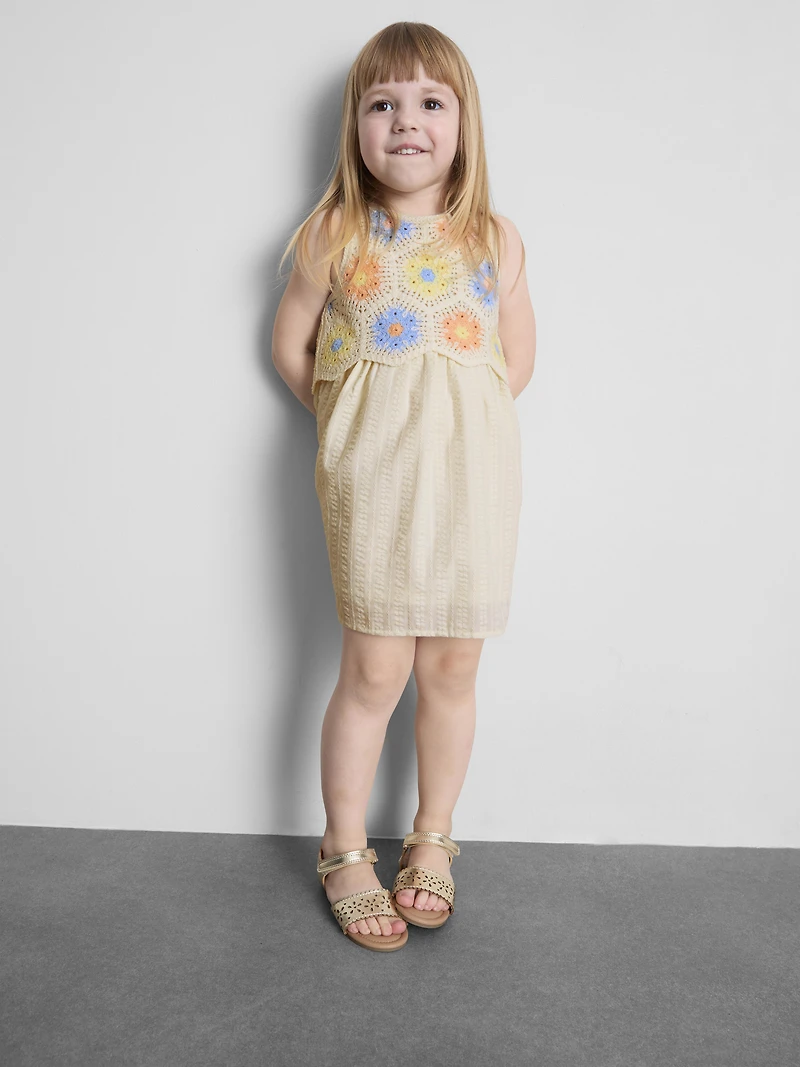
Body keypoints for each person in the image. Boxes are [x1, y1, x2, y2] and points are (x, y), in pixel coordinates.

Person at [272, 21, 536, 952]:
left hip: (473, 486)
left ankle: (433, 835)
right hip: (376, 488)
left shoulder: (493, 239)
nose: (406, 121)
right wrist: (356, 425)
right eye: (383, 104)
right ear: (356, 126)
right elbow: (292, 347)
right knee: (375, 669)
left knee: (453, 667)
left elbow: (514, 361)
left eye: (430, 102)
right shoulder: (336, 234)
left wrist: (459, 426)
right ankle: (344, 846)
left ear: (464, 124)